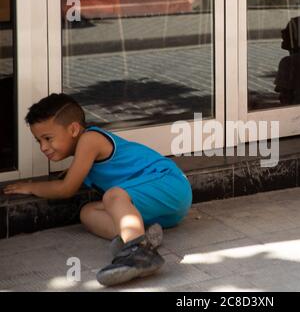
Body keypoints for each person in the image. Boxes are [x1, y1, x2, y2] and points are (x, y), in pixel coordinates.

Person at [3, 93, 193, 286]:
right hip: (162, 210)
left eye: (48, 138)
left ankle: (139, 253)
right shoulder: (83, 155)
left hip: (170, 183)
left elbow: (65, 189)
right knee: (88, 212)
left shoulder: (90, 139)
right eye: (39, 141)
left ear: (74, 129)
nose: (43, 147)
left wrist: (31, 187)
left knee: (113, 195)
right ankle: (144, 237)